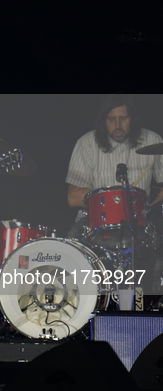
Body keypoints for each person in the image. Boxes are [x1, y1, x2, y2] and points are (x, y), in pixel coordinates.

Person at [66, 94, 163, 300]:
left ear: (133, 119)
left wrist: (151, 204)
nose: (118, 125)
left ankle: (147, 307)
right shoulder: (86, 144)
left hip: (139, 224)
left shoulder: (153, 141)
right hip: (93, 224)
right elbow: (73, 197)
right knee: (71, 248)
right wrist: (112, 197)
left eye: (123, 118)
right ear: (103, 121)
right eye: (111, 119)